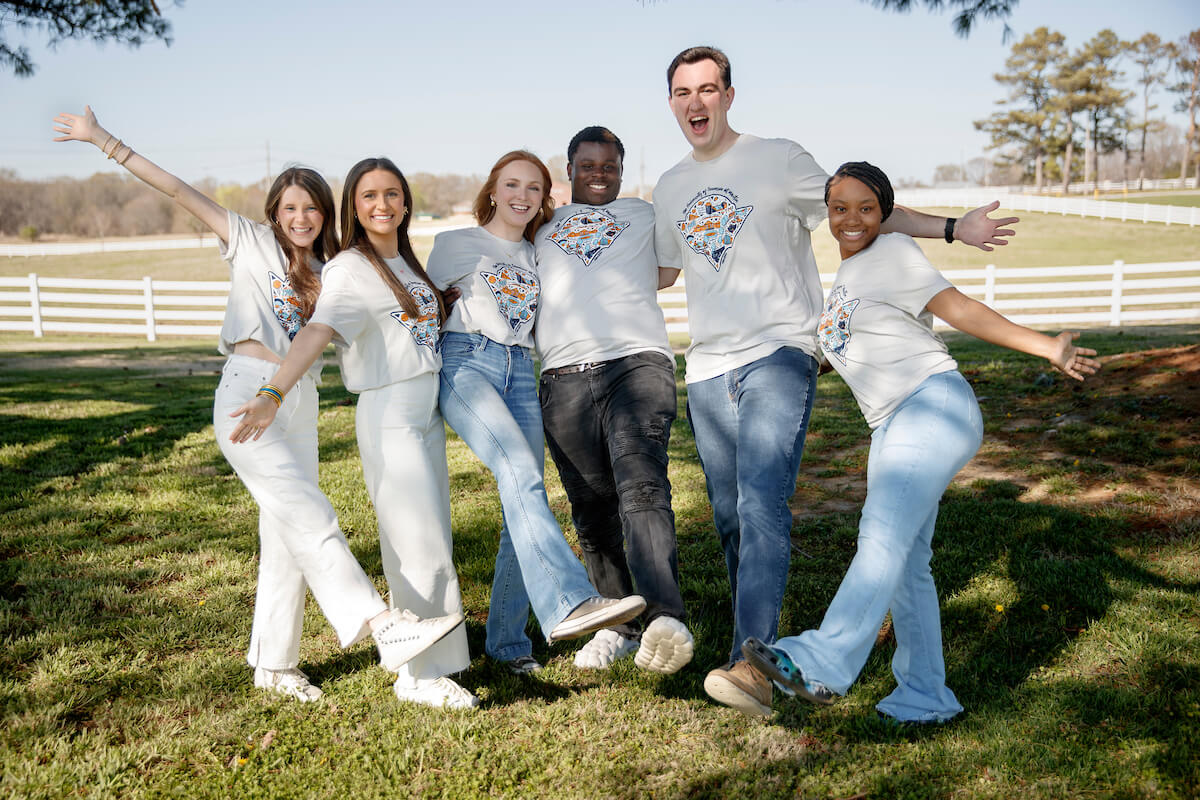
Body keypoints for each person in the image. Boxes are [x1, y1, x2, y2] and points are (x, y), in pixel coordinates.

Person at [651, 46, 1021, 713]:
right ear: (671, 101)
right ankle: (898, 689)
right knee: (732, 517)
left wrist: (952, 229)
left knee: (763, 504)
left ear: (729, 95)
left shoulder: (778, 158)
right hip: (706, 365)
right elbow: (662, 272)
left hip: (779, 352)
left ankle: (755, 666)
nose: (696, 102)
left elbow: (859, 208)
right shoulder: (670, 186)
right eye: (683, 92)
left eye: (708, 88)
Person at [51, 110, 464, 704]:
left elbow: (366, 331)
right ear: (274, 212)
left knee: (285, 533)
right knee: (310, 512)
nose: (301, 217)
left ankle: (274, 663)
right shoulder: (246, 241)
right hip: (249, 394)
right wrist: (103, 141)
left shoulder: (334, 270)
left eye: (312, 208)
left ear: (327, 215)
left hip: (302, 404)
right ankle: (382, 624)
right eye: (291, 207)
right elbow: (173, 187)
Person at [737, 161, 1100, 721]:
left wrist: (1046, 347)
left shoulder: (894, 253)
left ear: (885, 212)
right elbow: (846, 349)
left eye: (866, 208)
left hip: (932, 406)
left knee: (880, 537)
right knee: (907, 561)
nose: (851, 219)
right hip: (890, 424)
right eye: (839, 208)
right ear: (826, 214)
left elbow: (960, 310)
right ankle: (924, 695)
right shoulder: (848, 278)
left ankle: (819, 661)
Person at [230, 157, 477, 709]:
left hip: (425, 412)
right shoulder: (348, 267)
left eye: (392, 194)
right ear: (353, 207)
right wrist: (273, 393)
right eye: (368, 196)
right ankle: (416, 674)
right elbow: (318, 329)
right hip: (389, 412)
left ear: (406, 203)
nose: (382, 205)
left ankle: (440, 657)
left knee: (433, 535)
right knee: (416, 539)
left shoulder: (408, 264)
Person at [425, 150, 646, 675]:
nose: (522, 196)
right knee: (519, 473)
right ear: (493, 190)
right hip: (468, 363)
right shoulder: (454, 244)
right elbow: (420, 307)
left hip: (521, 371)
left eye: (533, 188)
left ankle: (506, 645)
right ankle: (571, 601)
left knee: (520, 503)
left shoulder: (537, 250)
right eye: (512, 185)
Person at [533, 127, 692, 674]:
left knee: (642, 487)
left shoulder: (642, 216)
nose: (598, 174)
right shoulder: (540, 224)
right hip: (562, 376)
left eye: (609, 166)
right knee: (592, 510)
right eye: (588, 165)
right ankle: (619, 626)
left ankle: (665, 619)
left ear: (622, 172)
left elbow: (668, 271)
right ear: (569, 168)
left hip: (636, 363)